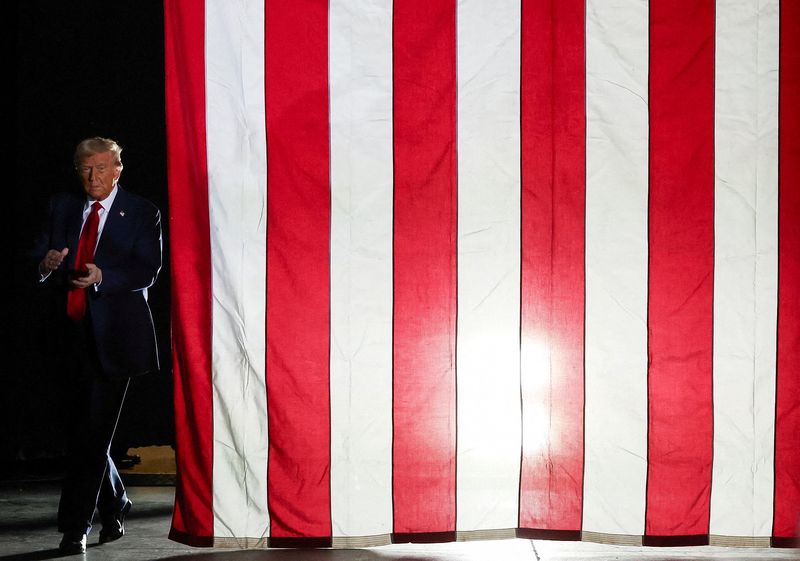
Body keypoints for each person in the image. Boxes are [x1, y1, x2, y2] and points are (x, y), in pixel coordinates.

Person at [33, 137, 162, 554]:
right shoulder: (62, 205)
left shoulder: (142, 211)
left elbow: (147, 269)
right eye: (86, 169)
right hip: (69, 335)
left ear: (118, 170)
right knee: (82, 435)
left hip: (117, 339)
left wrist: (103, 276)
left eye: (102, 168)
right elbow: (37, 254)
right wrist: (46, 264)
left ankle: (74, 527)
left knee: (93, 435)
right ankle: (117, 502)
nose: (94, 177)